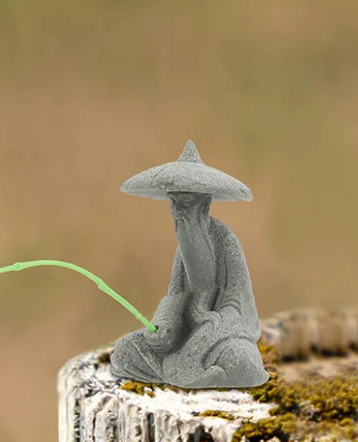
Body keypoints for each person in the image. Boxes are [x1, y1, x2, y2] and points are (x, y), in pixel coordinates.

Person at [109, 141, 269, 389]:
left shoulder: (224, 239)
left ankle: (204, 374)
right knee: (125, 351)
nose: (177, 213)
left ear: (203, 206)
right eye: (173, 204)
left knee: (242, 359)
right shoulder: (183, 244)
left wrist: (212, 325)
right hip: (183, 336)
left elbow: (236, 302)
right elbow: (176, 295)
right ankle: (189, 373)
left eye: (184, 204)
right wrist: (164, 326)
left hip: (220, 335)